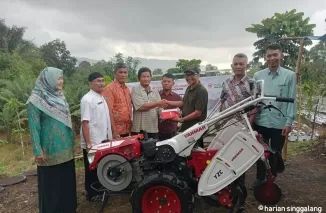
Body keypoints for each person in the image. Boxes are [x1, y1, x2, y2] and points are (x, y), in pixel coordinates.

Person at [26, 67, 77, 213]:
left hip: (66, 148)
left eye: (61, 78)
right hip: (49, 151)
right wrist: (37, 150)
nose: (61, 81)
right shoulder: (35, 101)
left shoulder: (59, 97)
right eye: (58, 78)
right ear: (48, 79)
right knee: (52, 184)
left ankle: (68, 208)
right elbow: (34, 128)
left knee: (66, 181)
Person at [251, 43, 296, 189]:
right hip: (261, 121)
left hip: (279, 123)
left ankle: (272, 179)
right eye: (269, 55)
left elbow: (292, 99)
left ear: (281, 56)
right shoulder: (258, 75)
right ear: (265, 58)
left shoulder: (289, 75)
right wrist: (252, 119)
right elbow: (254, 99)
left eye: (275, 55)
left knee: (275, 153)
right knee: (260, 152)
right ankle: (260, 178)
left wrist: (289, 122)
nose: (272, 58)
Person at [219, 53, 256, 213]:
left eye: (242, 64)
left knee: (239, 163)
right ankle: (227, 195)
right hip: (225, 127)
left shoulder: (252, 83)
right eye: (236, 64)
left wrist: (249, 126)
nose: (238, 66)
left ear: (246, 65)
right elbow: (222, 103)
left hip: (242, 127)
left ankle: (240, 200)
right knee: (225, 160)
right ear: (232, 66)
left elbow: (255, 106)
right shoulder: (226, 83)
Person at [80, 72, 115, 201]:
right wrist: (89, 144)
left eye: (102, 80)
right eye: (97, 81)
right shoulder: (87, 99)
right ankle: (92, 193)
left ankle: (100, 190)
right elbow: (85, 122)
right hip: (93, 141)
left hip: (103, 140)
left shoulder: (101, 97)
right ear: (90, 83)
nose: (101, 83)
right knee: (91, 168)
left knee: (100, 166)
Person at [164, 66, 208, 147]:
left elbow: (198, 113)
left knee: (195, 151)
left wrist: (181, 119)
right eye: (187, 75)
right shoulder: (189, 88)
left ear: (198, 76)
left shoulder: (201, 91)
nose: (189, 77)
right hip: (187, 127)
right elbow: (183, 103)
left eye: (192, 75)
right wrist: (168, 102)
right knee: (185, 151)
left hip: (195, 127)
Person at [131, 67, 167, 139]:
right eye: (143, 77)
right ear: (139, 78)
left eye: (148, 76)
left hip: (153, 128)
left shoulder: (154, 91)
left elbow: (160, 107)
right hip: (139, 129)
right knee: (140, 150)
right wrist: (157, 103)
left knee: (154, 149)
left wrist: (162, 114)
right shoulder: (135, 90)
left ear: (151, 78)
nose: (146, 79)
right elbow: (141, 107)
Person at [102, 62, 132, 137]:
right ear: (115, 73)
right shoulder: (109, 89)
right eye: (120, 72)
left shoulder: (127, 89)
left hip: (127, 129)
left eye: (125, 72)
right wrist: (114, 131)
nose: (123, 75)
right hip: (117, 131)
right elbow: (109, 112)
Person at [158, 73, 182, 140]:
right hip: (158, 130)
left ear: (173, 83)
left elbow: (181, 111)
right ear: (161, 82)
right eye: (164, 81)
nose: (166, 83)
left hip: (172, 129)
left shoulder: (177, 97)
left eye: (169, 81)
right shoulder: (156, 95)